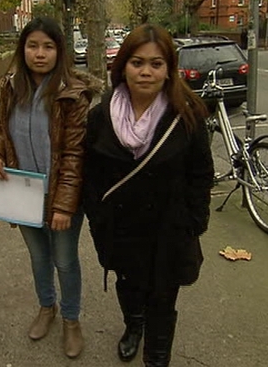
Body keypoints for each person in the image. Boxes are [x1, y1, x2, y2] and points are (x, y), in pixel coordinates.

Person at [81, 23, 214, 367]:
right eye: (137, 62)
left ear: (169, 69)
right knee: (128, 285)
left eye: (156, 64)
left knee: (163, 299)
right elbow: (90, 174)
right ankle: (133, 325)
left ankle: (156, 357)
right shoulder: (100, 116)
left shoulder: (188, 114)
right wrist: (98, 219)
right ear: (122, 66)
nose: (146, 72)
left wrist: (193, 223)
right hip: (121, 228)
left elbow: (200, 174)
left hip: (168, 229)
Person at [0, 16, 95, 359]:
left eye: (48, 46)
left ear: (59, 51)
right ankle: (46, 307)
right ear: (23, 49)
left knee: (64, 260)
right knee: (38, 257)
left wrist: (63, 206)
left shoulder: (72, 92)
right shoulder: (12, 87)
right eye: (33, 45)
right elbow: (4, 132)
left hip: (61, 195)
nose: (40, 53)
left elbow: (76, 154)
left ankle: (71, 320)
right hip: (23, 192)